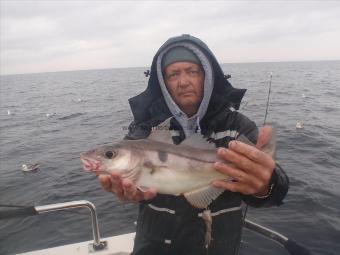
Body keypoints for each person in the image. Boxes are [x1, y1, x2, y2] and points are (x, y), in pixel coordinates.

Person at [99, 34, 289, 255]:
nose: (183, 81)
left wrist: (267, 184)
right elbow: (131, 175)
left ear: (206, 76)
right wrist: (127, 191)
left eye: (192, 71)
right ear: (162, 81)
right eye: (173, 74)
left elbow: (277, 193)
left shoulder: (237, 127)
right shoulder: (145, 129)